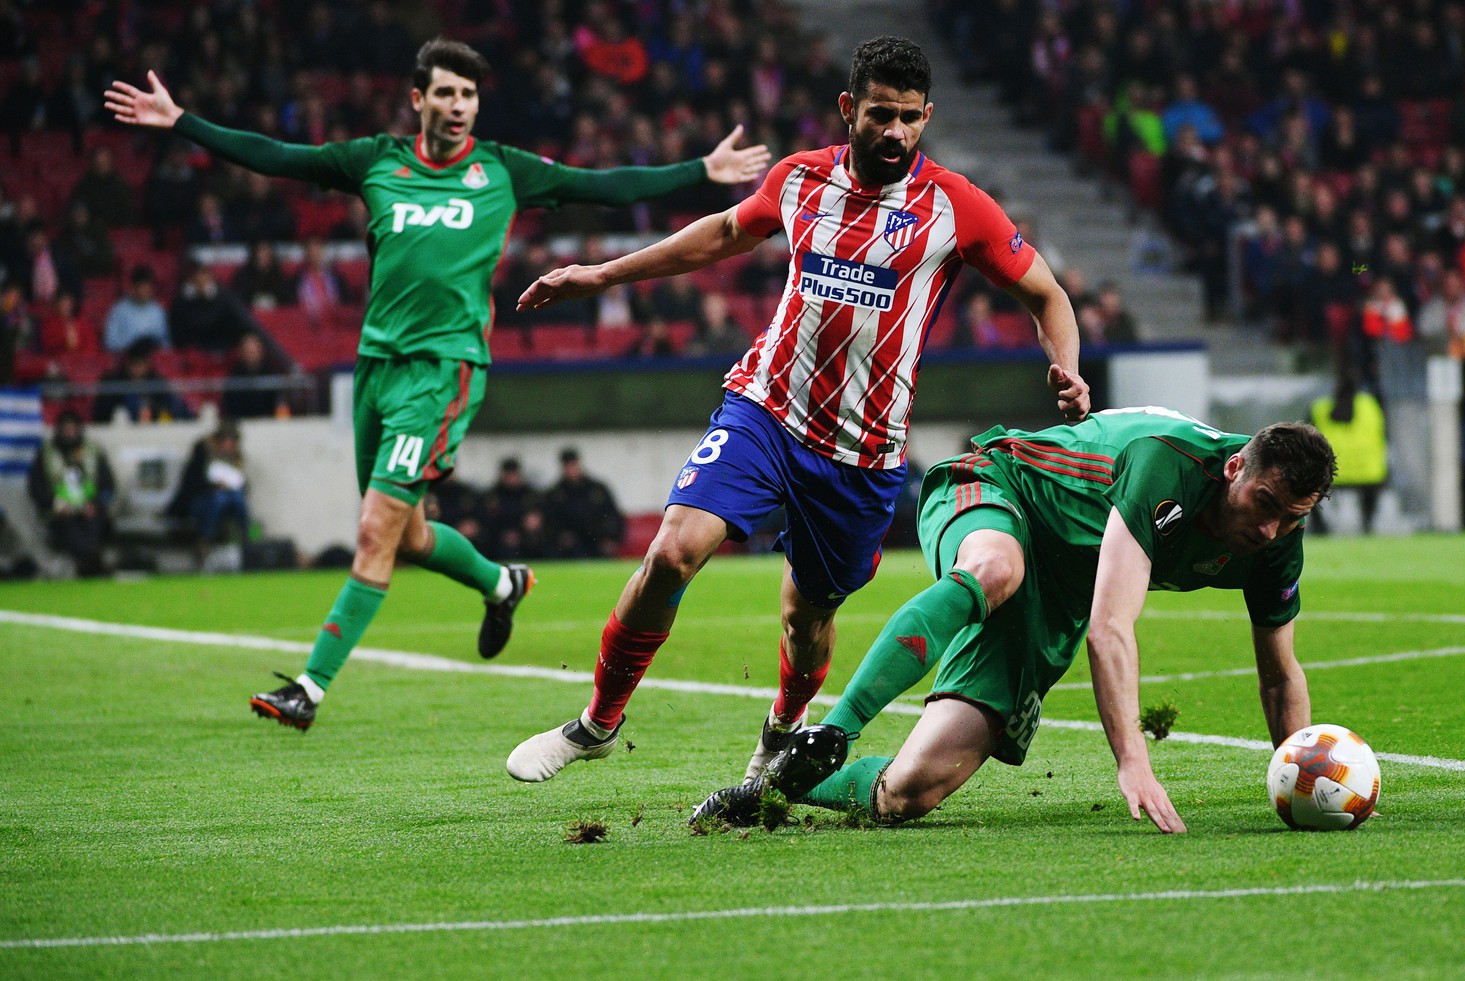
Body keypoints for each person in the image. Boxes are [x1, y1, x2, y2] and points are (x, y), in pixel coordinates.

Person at [107, 36, 770, 731]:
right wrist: (182, 121)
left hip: (442, 371)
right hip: (375, 368)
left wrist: (702, 169)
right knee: (409, 536)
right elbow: (279, 157)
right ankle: (501, 582)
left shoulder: (502, 169)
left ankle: (309, 687)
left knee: (374, 531)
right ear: (418, 98)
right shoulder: (377, 160)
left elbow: (602, 186)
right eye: (447, 92)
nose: (458, 106)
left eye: (469, 95)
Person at [506, 36, 1089, 784]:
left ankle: (782, 729)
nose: (896, 132)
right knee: (672, 552)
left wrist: (1067, 366)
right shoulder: (801, 179)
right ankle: (597, 723)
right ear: (849, 108)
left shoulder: (955, 205)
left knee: (805, 617)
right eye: (880, 114)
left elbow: (1047, 293)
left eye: (911, 117)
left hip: (863, 452)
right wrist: (600, 276)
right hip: (767, 410)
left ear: (927, 116)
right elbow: (723, 233)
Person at [692, 410, 1336, 835]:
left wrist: (1302, 775)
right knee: (997, 568)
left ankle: (780, 781)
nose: (1271, 529)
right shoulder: (1166, 465)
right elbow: (1110, 627)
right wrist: (1133, 761)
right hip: (1001, 488)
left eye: (1292, 517)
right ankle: (833, 732)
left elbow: (1280, 675)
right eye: (1265, 504)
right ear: (1235, 468)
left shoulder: (1278, 542)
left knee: (911, 792)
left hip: (1057, 595)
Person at [27, 409, 115, 577]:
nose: (70, 433)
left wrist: (95, 504)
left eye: (73, 429)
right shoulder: (46, 453)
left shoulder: (93, 450)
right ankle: (92, 562)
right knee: (69, 529)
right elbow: (35, 487)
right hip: (59, 512)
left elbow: (108, 486)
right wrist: (55, 503)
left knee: (94, 526)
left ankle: (88, 562)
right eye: (66, 429)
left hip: (90, 508)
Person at [1309, 374, 1387, 535]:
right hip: (1369, 474)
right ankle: (1368, 525)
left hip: (1332, 474)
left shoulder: (1319, 408)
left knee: (1309, 486)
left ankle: (1319, 528)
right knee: (1374, 485)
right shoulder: (1371, 405)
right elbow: (1385, 435)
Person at [167, 419, 251, 566]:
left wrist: (233, 485)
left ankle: (246, 541)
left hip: (226, 503)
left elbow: (243, 485)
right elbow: (191, 486)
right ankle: (205, 540)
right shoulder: (201, 457)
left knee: (238, 498)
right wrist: (214, 486)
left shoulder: (234, 460)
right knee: (219, 498)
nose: (230, 446)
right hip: (199, 501)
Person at [543, 447, 624, 558]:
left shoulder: (597, 489)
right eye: (568, 466)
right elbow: (550, 521)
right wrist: (560, 536)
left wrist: (612, 538)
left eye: (573, 465)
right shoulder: (555, 494)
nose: (571, 470)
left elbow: (613, 516)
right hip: (570, 546)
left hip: (598, 541)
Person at [103, 266, 170, 354]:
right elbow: (110, 342)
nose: (145, 291)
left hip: (153, 357)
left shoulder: (158, 311)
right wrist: (133, 344)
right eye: (142, 287)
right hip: (128, 357)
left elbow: (166, 343)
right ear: (133, 287)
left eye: (148, 287)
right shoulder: (119, 310)